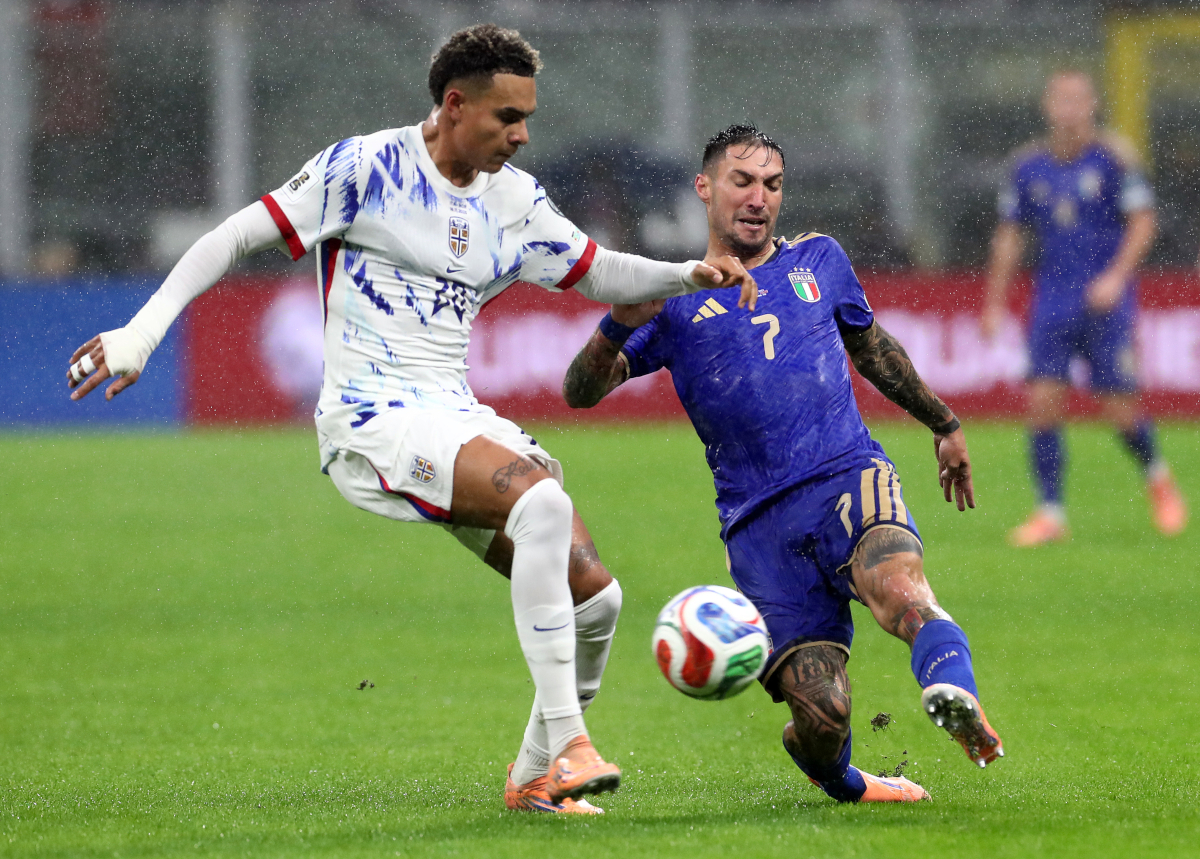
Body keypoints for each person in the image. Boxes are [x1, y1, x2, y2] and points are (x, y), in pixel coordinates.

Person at [65, 24, 758, 814]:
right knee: (541, 502)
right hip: (372, 416)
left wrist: (683, 272)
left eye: (527, 116)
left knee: (595, 598)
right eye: (506, 117)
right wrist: (142, 332)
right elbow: (234, 236)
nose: (522, 135)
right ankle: (571, 741)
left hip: (452, 412)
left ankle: (535, 775)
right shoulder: (365, 168)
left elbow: (595, 269)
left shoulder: (514, 198)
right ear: (454, 105)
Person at [562, 124, 1003, 804]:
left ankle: (955, 692)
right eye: (742, 181)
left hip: (847, 475)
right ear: (705, 188)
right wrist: (617, 323)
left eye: (772, 185)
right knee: (823, 718)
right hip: (760, 526)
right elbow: (580, 392)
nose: (759, 198)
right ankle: (850, 780)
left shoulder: (820, 261)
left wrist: (943, 422)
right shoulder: (674, 297)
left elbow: (872, 345)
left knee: (901, 589)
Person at [983, 69, 1186, 546]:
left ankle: (1157, 476)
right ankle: (1050, 513)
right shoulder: (1028, 167)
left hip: (1104, 304)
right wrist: (993, 302)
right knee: (1041, 404)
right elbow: (1011, 236)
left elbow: (1143, 221)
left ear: (1092, 105)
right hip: (1052, 300)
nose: (1070, 110)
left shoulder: (1115, 159)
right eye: (1062, 100)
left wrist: (1116, 276)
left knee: (1118, 408)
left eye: (1078, 100)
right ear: (1048, 107)